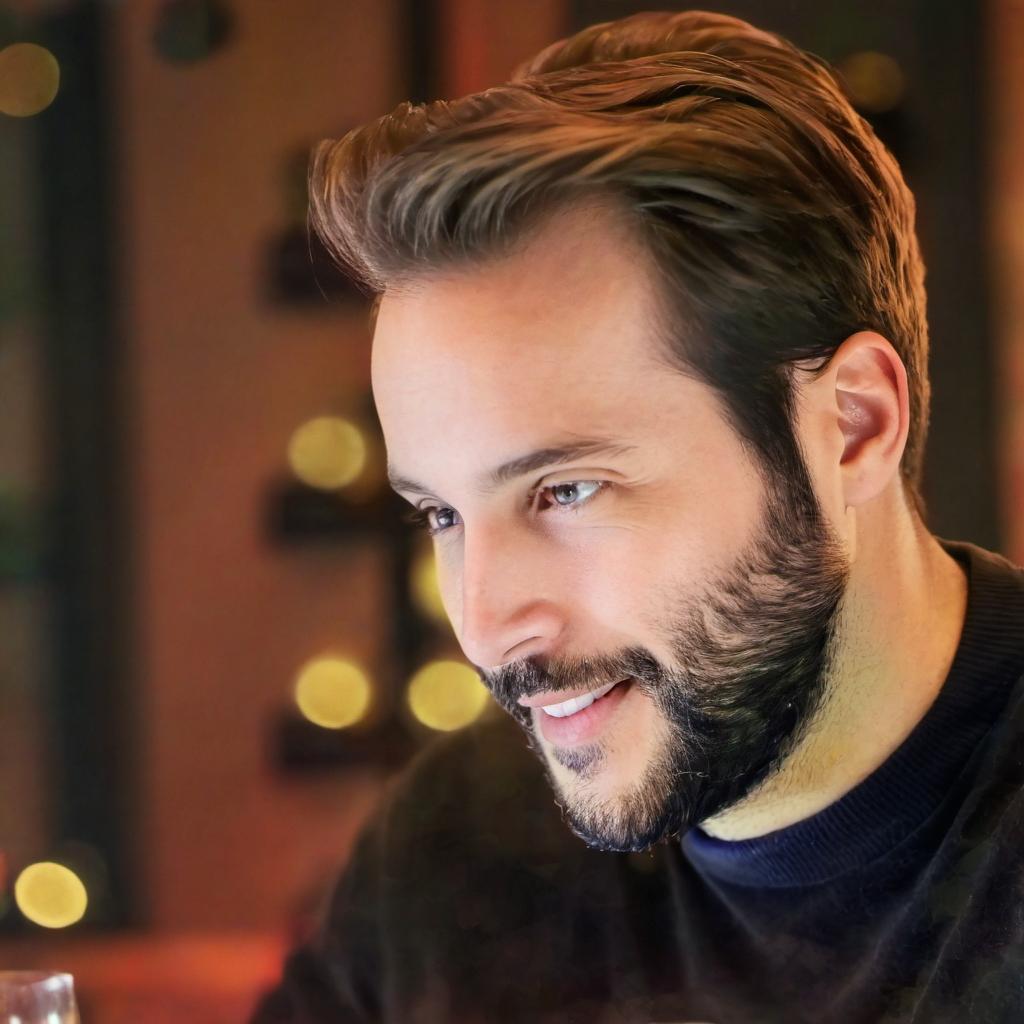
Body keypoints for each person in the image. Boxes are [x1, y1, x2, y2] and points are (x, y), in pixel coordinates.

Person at [251, 10, 1024, 1023]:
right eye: (439, 513)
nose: (483, 628)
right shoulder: (454, 848)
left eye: (563, 491)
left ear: (850, 427)